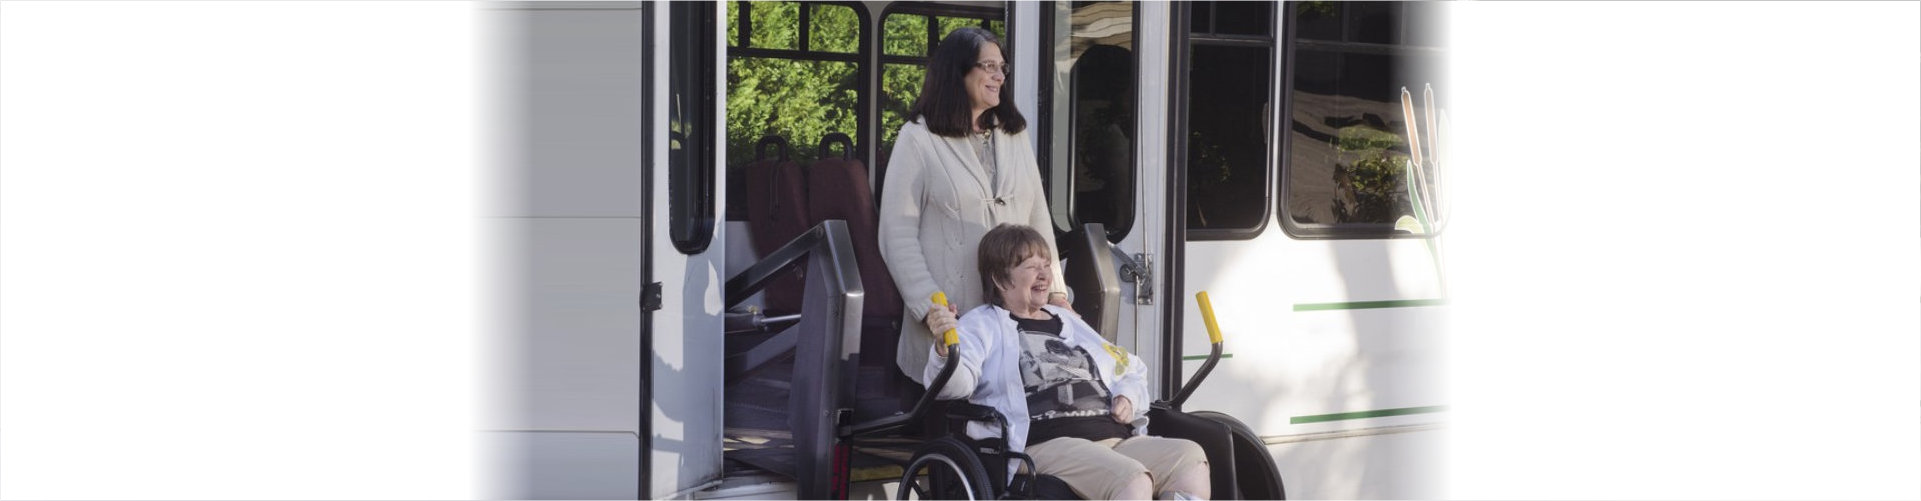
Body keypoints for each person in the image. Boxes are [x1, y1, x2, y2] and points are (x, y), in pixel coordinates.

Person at [924, 224, 1210, 501]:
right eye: (1030, 267)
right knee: (1132, 479)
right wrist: (944, 349)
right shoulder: (981, 324)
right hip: (1045, 443)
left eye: (1046, 265)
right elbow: (953, 387)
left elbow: (1127, 367)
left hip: (1112, 439)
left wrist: (1128, 395)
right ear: (1000, 279)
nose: (1044, 274)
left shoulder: (1067, 320)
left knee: (1189, 459)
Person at [880, 27, 1071, 386]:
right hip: (951, 323)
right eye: (989, 66)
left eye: (1003, 67)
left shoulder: (1014, 135)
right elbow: (896, 234)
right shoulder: (918, 138)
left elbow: (1038, 219)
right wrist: (929, 308)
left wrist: (1056, 292)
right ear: (958, 71)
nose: (999, 76)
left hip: (1017, 320)